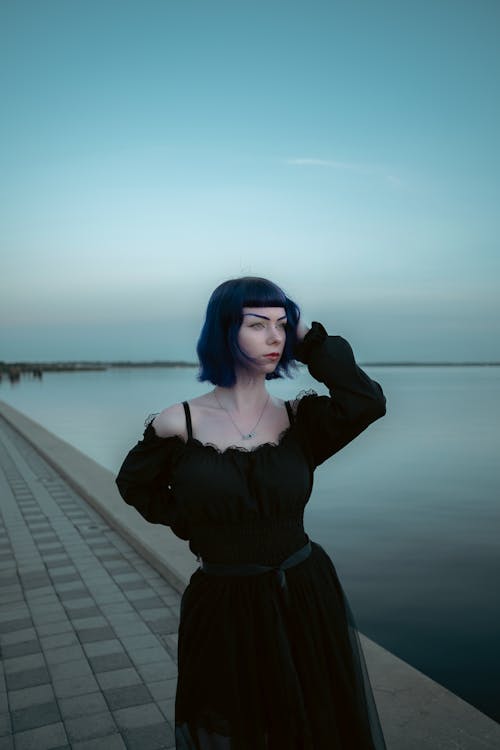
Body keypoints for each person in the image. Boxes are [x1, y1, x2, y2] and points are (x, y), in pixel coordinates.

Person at [116, 276, 387, 750]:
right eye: (257, 324)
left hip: (304, 593)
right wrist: (199, 524)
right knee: (235, 728)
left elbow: (366, 402)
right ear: (224, 331)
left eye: (283, 326)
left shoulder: (301, 421)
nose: (275, 337)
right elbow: (135, 485)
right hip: (223, 600)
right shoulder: (178, 421)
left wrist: (312, 343)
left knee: (315, 726)